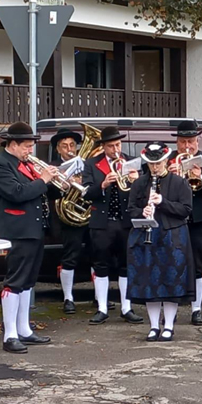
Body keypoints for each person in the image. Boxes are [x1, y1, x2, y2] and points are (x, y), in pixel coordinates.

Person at [0, 122, 53, 353]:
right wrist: (43, 179)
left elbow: (41, 190)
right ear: (12, 144)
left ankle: (24, 329)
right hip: (17, 229)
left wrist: (56, 179)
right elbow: (17, 194)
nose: (30, 151)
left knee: (27, 282)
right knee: (15, 281)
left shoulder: (25, 164)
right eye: (26, 146)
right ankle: (10, 335)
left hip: (35, 229)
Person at [127, 142, 194, 342]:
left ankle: (169, 325)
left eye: (158, 163)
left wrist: (162, 202)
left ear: (166, 160)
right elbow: (131, 209)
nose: (154, 167)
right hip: (147, 236)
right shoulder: (139, 183)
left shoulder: (179, 182)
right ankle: (154, 325)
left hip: (173, 236)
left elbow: (186, 210)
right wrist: (143, 211)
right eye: (151, 164)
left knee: (171, 281)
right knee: (150, 281)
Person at [82, 125, 143, 325]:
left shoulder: (130, 161)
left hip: (125, 221)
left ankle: (127, 307)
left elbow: (143, 192)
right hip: (102, 222)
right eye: (111, 146)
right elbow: (85, 192)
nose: (116, 150)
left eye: (118, 144)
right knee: (100, 264)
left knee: (126, 265)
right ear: (104, 147)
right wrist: (103, 185)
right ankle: (102, 308)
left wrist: (137, 180)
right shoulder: (92, 164)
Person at [168, 119, 202, 326]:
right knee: (174, 263)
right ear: (176, 142)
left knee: (198, 265)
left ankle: (196, 309)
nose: (187, 146)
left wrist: (201, 178)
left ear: (197, 141)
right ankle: (173, 308)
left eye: (191, 141)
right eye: (182, 142)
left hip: (198, 219)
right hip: (173, 219)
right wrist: (167, 177)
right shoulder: (168, 159)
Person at [48, 128, 86, 314]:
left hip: (87, 214)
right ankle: (68, 298)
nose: (69, 149)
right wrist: (65, 184)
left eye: (72, 145)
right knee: (70, 255)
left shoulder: (86, 164)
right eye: (65, 146)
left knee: (96, 255)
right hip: (67, 218)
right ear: (58, 149)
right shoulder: (53, 167)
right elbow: (48, 191)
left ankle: (99, 298)